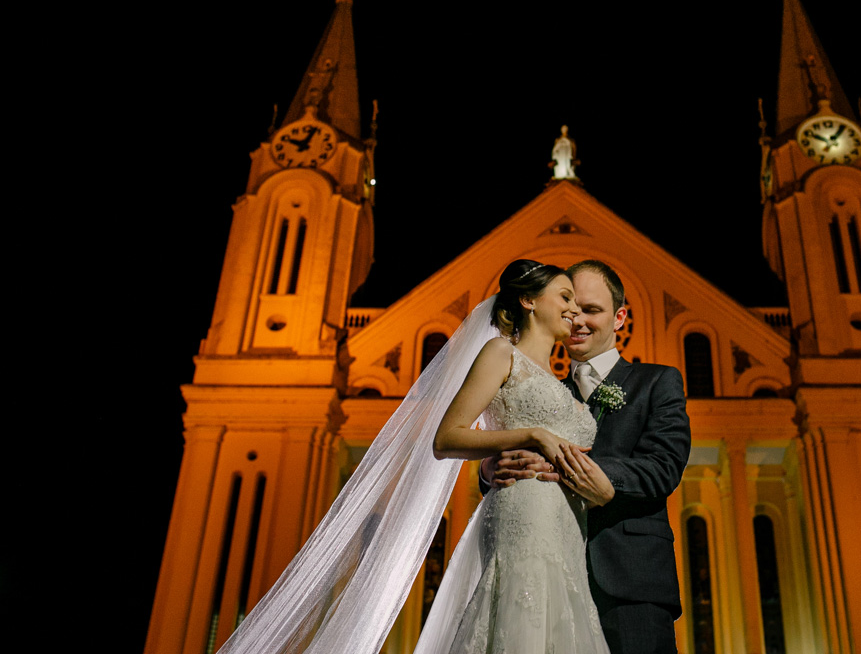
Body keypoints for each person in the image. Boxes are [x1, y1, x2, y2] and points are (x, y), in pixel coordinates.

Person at [218, 260, 612, 654]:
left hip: (565, 529)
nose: (575, 309)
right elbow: (446, 437)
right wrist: (529, 436)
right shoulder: (499, 353)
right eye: (565, 297)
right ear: (528, 300)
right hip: (524, 516)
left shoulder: (563, 385)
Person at [485, 260, 691, 654]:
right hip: (549, 576)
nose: (578, 320)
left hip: (629, 581)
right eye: (571, 309)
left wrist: (596, 476)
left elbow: (664, 466)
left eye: (592, 310)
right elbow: (509, 446)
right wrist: (491, 468)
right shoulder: (541, 387)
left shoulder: (658, 381)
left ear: (620, 317)